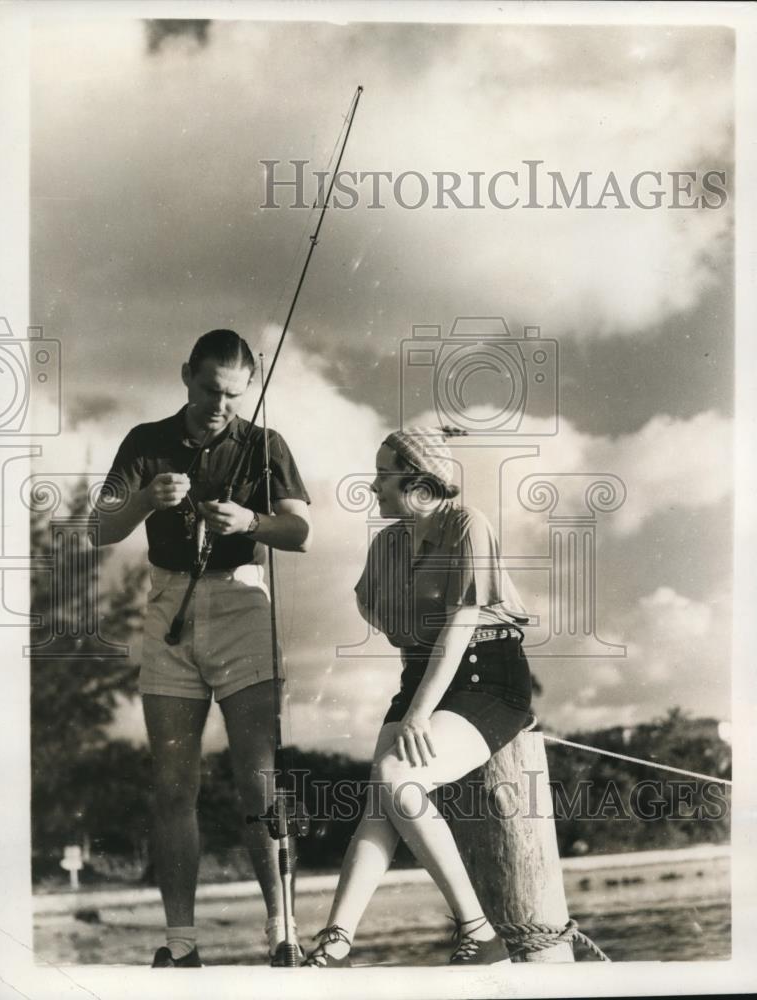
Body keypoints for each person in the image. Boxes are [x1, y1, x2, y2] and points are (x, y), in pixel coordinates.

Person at [95, 329, 312, 967]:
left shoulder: (266, 444)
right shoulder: (144, 440)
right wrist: (141, 501)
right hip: (169, 606)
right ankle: (181, 944)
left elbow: (298, 530)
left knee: (259, 781)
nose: (221, 405)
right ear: (186, 375)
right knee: (172, 786)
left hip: (244, 602)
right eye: (210, 390)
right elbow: (96, 529)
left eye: (233, 395)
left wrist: (253, 523)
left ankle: (283, 933)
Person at [303, 426, 532, 968]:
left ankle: (480, 933)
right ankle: (336, 942)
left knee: (396, 778)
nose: (375, 485)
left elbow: (459, 627)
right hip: (424, 675)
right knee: (380, 801)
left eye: (385, 475)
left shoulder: (467, 525)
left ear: (421, 483)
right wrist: (416, 702)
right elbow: (396, 628)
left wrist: (418, 716)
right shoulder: (385, 545)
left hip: (486, 673)